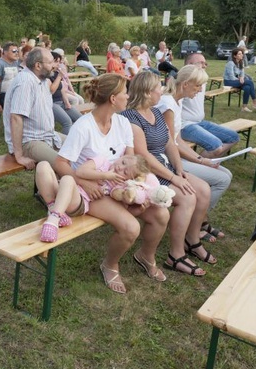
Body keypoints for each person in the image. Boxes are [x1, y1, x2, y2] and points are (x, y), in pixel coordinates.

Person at [52, 73, 170, 291]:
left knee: (161, 214)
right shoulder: (83, 126)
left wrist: (139, 192)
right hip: (94, 189)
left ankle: (146, 255)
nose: (128, 96)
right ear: (113, 99)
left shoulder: (123, 122)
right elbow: (60, 163)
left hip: (121, 186)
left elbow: (134, 161)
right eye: (125, 92)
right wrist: (83, 181)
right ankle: (110, 264)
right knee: (130, 227)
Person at [122, 71, 215, 277]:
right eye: (158, 88)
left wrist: (179, 168)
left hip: (165, 167)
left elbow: (169, 142)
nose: (162, 91)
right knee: (188, 197)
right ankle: (176, 254)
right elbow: (143, 156)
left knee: (204, 190)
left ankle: (192, 240)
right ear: (147, 93)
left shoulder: (155, 112)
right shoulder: (130, 117)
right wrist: (173, 177)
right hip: (146, 171)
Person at [157, 65, 232, 243]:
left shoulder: (177, 101)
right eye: (197, 86)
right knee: (222, 179)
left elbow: (178, 139)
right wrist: (200, 161)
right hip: (166, 160)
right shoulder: (167, 104)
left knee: (226, 174)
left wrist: (201, 159)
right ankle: (195, 224)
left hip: (175, 155)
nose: (199, 91)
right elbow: (170, 144)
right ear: (185, 84)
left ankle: (198, 220)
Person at [38, 154, 144, 242]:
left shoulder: (118, 184)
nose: (120, 168)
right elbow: (80, 172)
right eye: (123, 162)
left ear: (127, 179)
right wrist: (104, 175)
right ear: (121, 157)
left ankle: (53, 221)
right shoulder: (102, 161)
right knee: (43, 165)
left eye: (125, 172)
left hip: (79, 202)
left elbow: (123, 199)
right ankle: (53, 209)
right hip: (64, 190)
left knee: (68, 179)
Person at [3, 48, 61, 168]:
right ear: (38, 65)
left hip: (47, 136)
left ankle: (58, 184)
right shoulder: (26, 82)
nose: (55, 66)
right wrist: (18, 155)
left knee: (81, 150)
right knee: (64, 164)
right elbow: (16, 118)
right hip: (29, 141)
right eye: (50, 62)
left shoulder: (43, 80)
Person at [180, 53, 239, 158]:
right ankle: (197, 165)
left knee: (233, 137)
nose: (204, 66)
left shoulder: (202, 81)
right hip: (185, 125)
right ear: (189, 64)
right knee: (216, 145)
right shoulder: (183, 83)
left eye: (205, 63)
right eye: (201, 63)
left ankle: (207, 161)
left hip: (199, 122)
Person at [49, 50, 81, 135]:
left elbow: (62, 89)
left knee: (80, 119)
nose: (58, 64)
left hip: (61, 102)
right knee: (67, 122)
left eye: (59, 62)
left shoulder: (56, 73)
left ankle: (75, 139)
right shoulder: (47, 75)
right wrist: (60, 76)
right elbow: (51, 91)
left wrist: (67, 102)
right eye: (56, 62)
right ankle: (66, 145)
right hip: (52, 103)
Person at [224, 48, 256, 112]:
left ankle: (244, 107)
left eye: (242, 54)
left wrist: (241, 78)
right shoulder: (230, 63)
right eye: (239, 54)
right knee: (250, 82)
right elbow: (232, 77)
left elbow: (242, 74)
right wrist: (239, 79)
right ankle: (255, 102)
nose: (241, 55)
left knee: (247, 87)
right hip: (229, 82)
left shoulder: (241, 62)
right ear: (235, 56)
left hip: (237, 81)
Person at [0, 42, 20, 111]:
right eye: (14, 51)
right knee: (17, 105)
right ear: (5, 52)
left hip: (14, 93)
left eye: (17, 51)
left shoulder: (16, 63)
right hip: (1, 95)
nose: (17, 53)